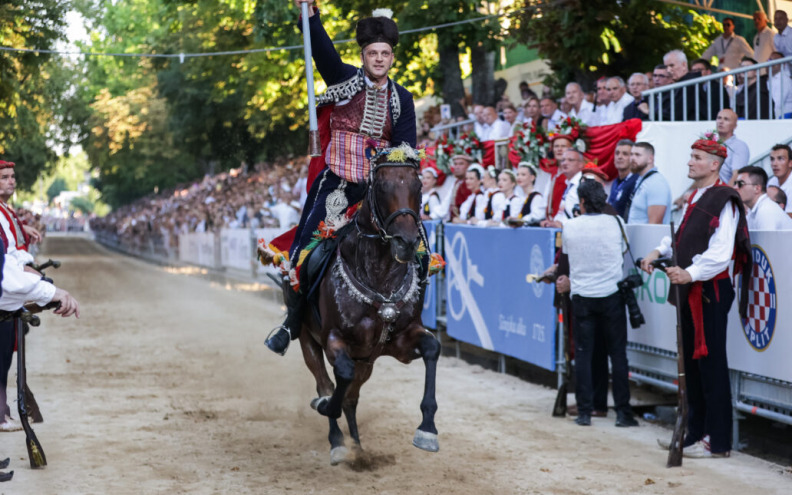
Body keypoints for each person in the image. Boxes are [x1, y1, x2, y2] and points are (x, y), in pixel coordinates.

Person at [264, 2, 417, 355]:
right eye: (372, 53)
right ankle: (291, 322)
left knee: (417, 246)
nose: (379, 59)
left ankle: (409, 323)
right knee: (304, 249)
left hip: (380, 193)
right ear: (363, 56)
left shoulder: (402, 100)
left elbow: (405, 150)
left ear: (392, 58)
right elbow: (322, 49)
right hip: (337, 183)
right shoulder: (343, 78)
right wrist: (310, 16)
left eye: (385, 53)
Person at [641, 137, 752, 458]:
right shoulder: (695, 195)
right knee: (692, 363)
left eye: (697, 157)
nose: (690, 162)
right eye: (691, 156)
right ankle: (694, 432)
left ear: (715, 164)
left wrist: (690, 273)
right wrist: (658, 251)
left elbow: (721, 251)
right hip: (692, 288)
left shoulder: (724, 199)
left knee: (711, 363)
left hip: (710, 290)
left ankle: (717, 441)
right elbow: (680, 235)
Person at [562, 180, 638, 427]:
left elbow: (568, 253)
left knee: (584, 355)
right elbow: (623, 249)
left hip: (582, 296)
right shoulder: (617, 223)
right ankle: (624, 413)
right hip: (611, 294)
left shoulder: (570, 226)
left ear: (582, 202)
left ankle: (585, 411)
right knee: (618, 355)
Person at [625, 142, 672, 224]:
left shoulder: (656, 183)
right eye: (631, 154)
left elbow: (654, 225)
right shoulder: (644, 180)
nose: (632, 158)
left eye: (637, 155)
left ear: (650, 159)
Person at [542, 149, 585, 228]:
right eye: (563, 160)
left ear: (581, 164)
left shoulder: (584, 183)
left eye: (570, 160)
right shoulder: (569, 184)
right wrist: (553, 223)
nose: (565, 163)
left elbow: (587, 216)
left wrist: (563, 224)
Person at [662, 50, 705, 121]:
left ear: (684, 65)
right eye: (666, 67)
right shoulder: (682, 84)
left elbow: (675, 113)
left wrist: (649, 112)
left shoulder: (690, 84)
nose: (668, 70)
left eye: (672, 65)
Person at [715, 109, 749, 184]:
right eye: (719, 118)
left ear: (735, 125)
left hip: (725, 189)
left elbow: (737, 175)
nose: (721, 122)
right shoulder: (713, 143)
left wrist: (725, 191)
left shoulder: (739, 146)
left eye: (726, 119)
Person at [608, 140, 638, 219]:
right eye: (617, 153)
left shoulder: (636, 181)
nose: (619, 157)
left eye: (625, 154)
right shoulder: (615, 182)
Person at [443, 155, 474, 221]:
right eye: (455, 164)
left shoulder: (470, 185)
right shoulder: (456, 182)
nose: (457, 167)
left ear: (468, 166)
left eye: (461, 164)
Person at [767, 143, 792, 217]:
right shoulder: (772, 181)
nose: (774, 164)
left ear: (790, 163)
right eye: (772, 159)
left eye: (780, 159)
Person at [767, 51, 792, 119]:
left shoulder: (784, 79)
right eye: (769, 60)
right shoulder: (771, 79)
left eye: (775, 60)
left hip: (783, 118)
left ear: (783, 64)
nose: (771, 62)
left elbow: (777, 104)